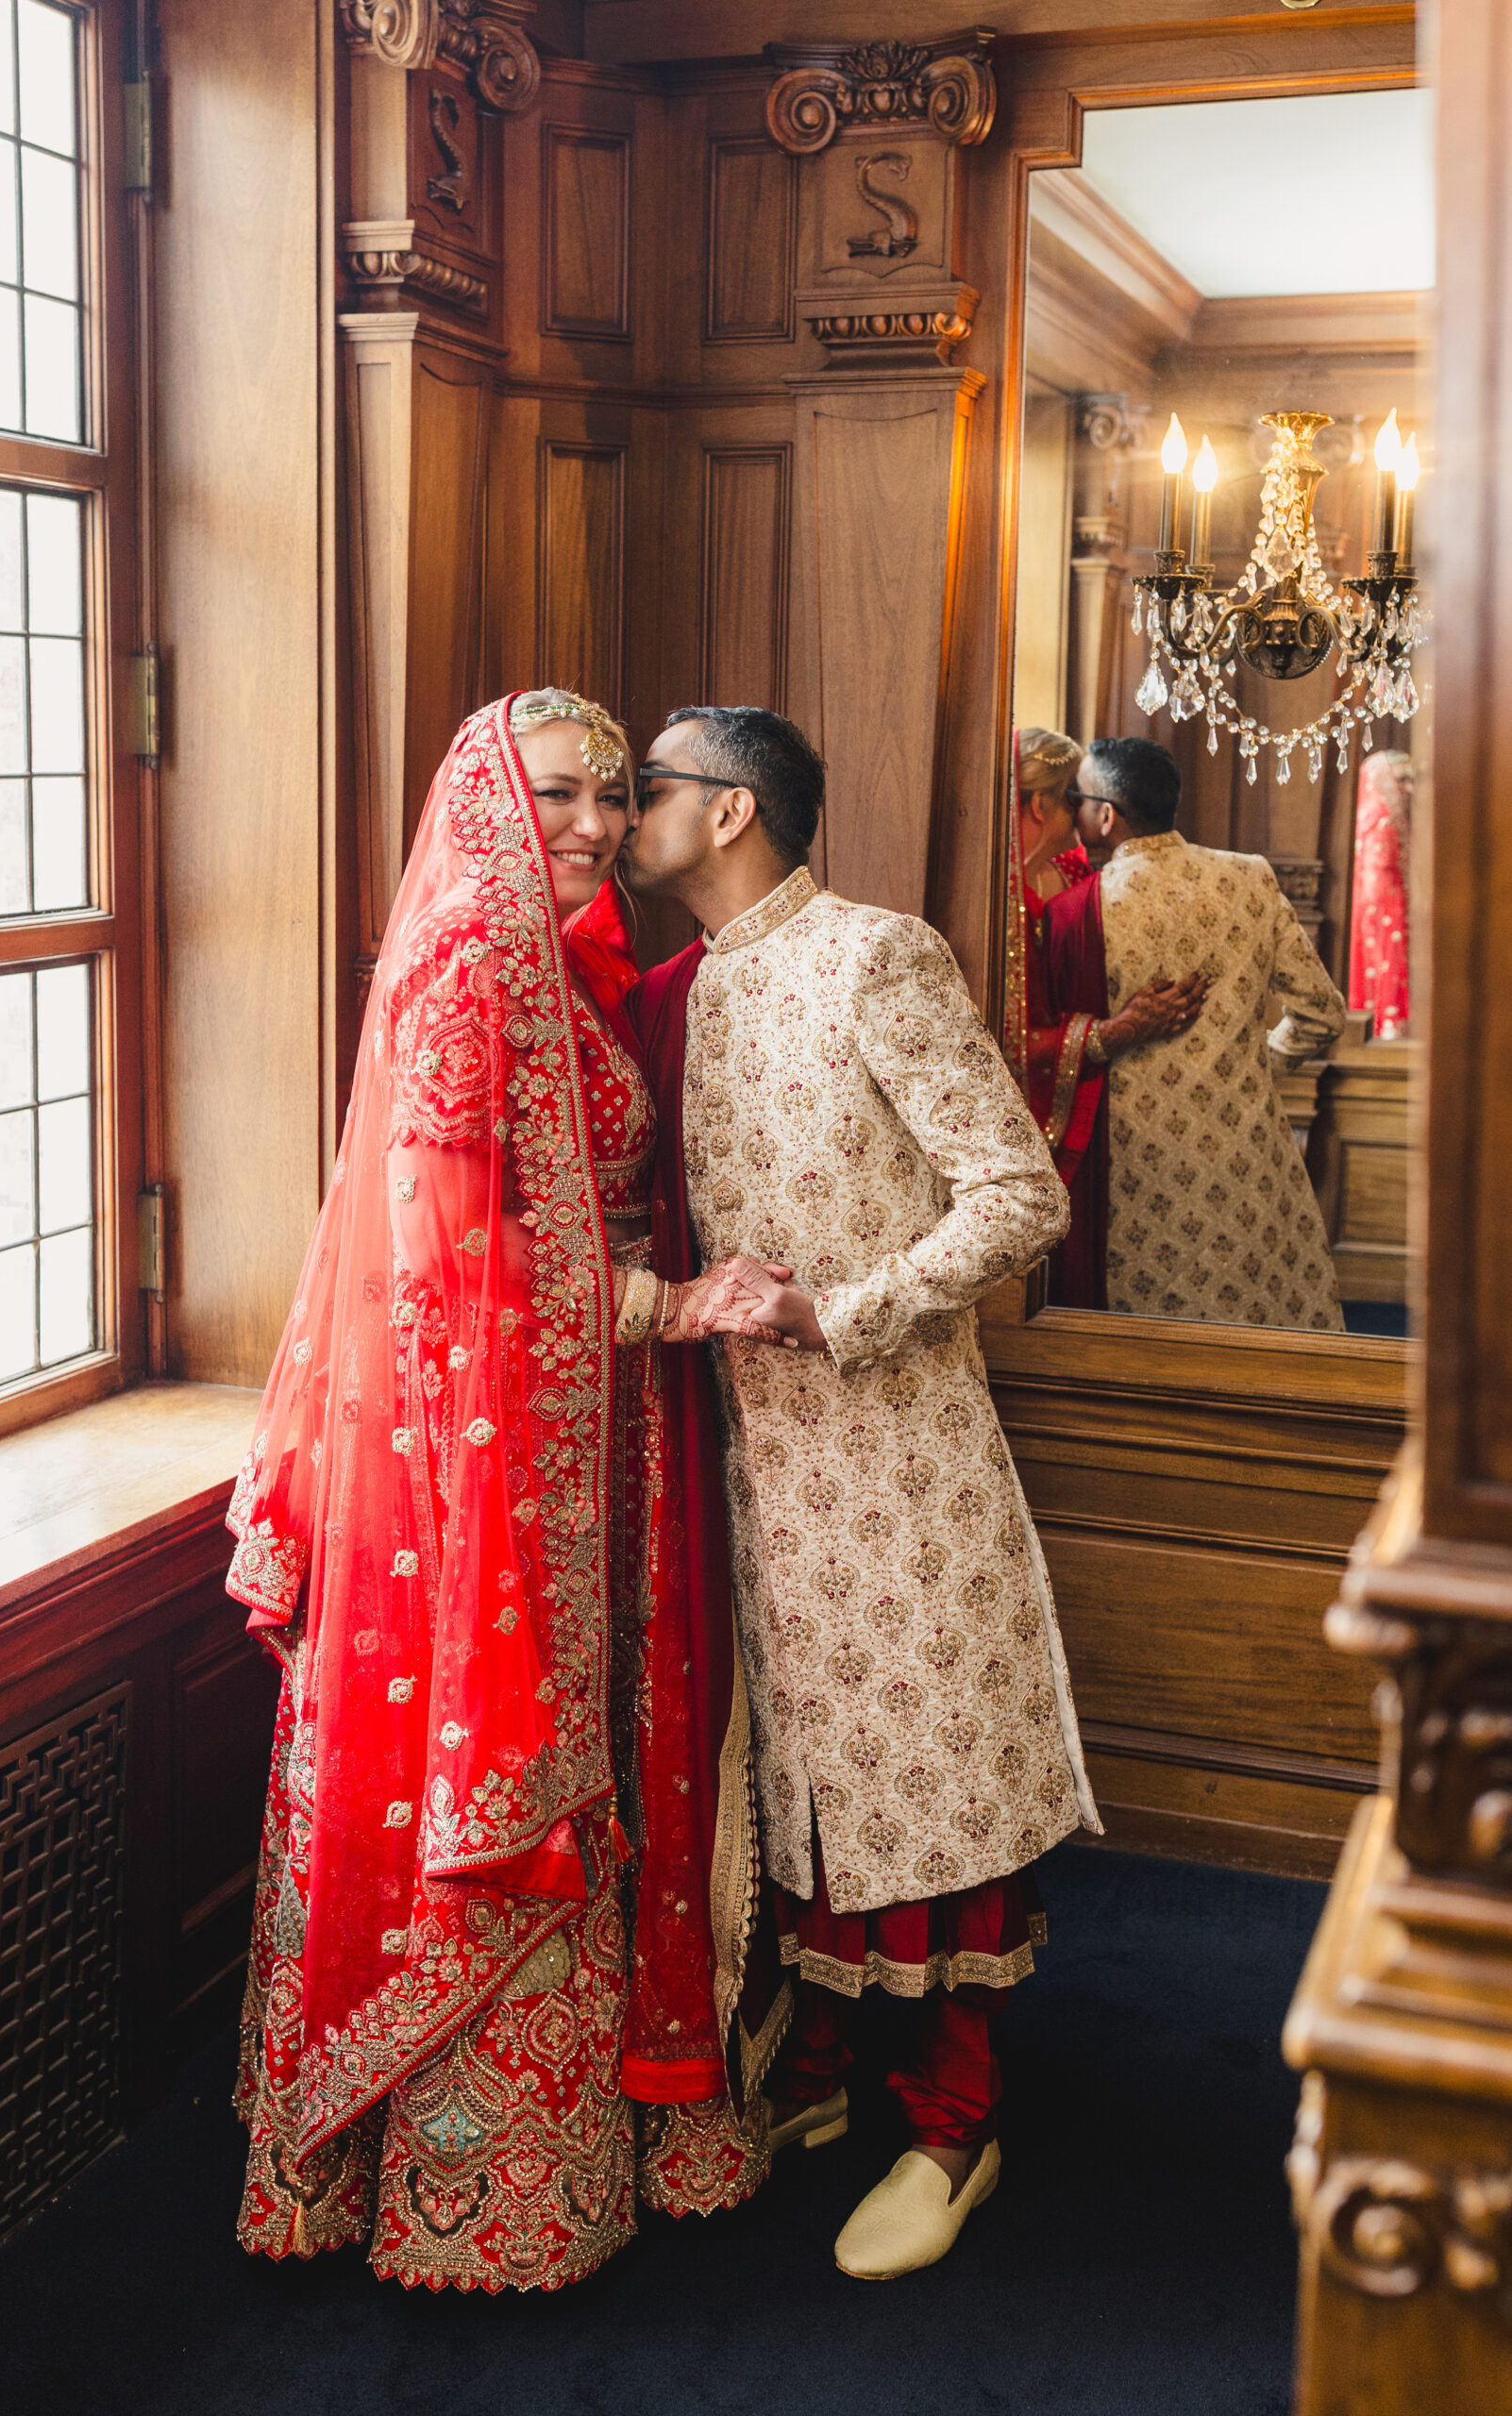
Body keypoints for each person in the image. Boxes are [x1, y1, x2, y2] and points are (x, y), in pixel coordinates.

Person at [223, 691, 787, 2295]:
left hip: (581, 1436)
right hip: (492, 1458)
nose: (593, 825)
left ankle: (596, 2126)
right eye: (552, 797)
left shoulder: (560, 962)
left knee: (602, 1733)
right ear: (483, 805)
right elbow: (457, 1269)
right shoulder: (474, 971)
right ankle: (463, 2172)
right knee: (509, 1753)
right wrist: (667, 1309)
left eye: (610, 794)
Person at [623, 704, 1101, 2283]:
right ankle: (821, 2074)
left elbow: (1018, 1190)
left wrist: (847, 1308)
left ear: (735, 811)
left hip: (895, 1458)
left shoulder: (872, 955)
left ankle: (953, 2127)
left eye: (657, 787)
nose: (633, 809)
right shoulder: (668, 996)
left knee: (931, 1782)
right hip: (740, 1470)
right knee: (800, 1792)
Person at [1069, 734, 1347, 1330]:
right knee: (1264, 1315)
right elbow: (1322, 1012)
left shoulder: (1087, 904)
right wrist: (1254, 1062)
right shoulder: (1248, 878)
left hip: (1140, 1159)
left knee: (1153, 1334)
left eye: (1078, 799)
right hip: (1246, 1149)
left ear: (1106, 815)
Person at [1002, 727, 1206, 1306]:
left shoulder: (1073, 868)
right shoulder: (999, 893)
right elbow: (1002, 1039)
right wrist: (1114, 1032)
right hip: (1034, 1106)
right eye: (1077, 799)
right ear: (1043, 805)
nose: (1089, 815)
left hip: (1103, 1094)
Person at [1348, 749, 1413, 1040]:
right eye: (1401, 779)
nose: (1409, 788)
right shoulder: (1380, 818)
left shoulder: (1375, 815)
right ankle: (1389, 1021)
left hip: (1387, 904)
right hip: (1385, 906)